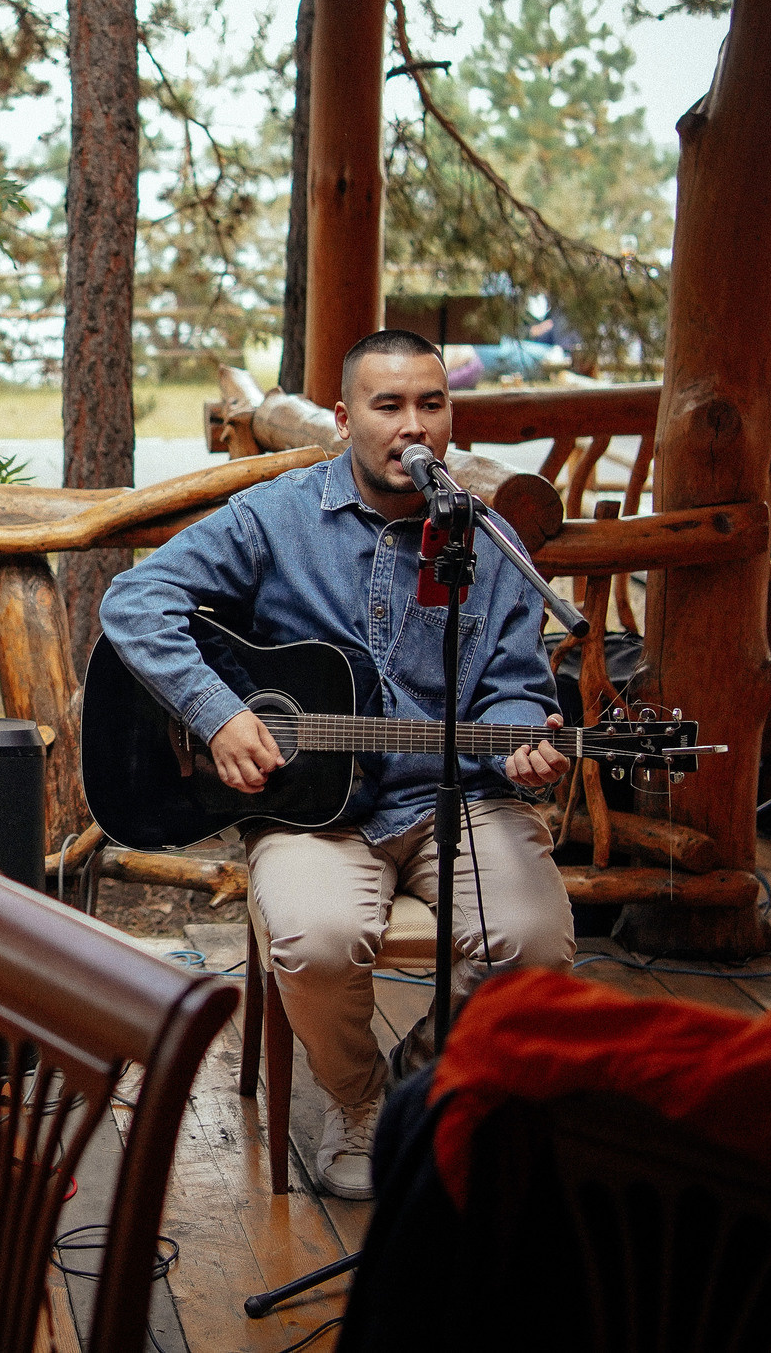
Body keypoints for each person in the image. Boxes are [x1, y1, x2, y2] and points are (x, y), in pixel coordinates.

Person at [99, 329, 575, 1201]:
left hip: (456, 798)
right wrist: (217, 712)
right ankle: (356, 1099)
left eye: (431, 404)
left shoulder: (492, 542)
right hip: (314, 807)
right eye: (388, 405)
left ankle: (416, 1084)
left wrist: (525, 743)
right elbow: (135, 597)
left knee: (537, 947)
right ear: (345, 417)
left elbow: (514, 688)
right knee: (316, 940)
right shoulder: (276, 517)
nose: (413, 425)